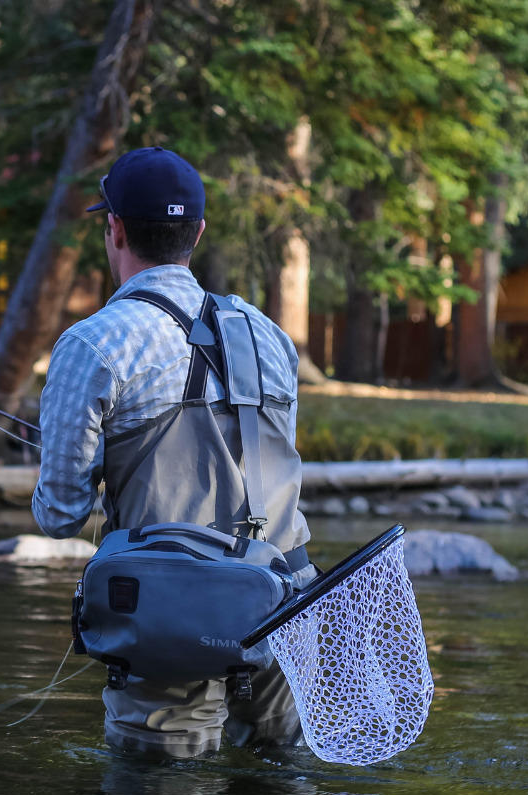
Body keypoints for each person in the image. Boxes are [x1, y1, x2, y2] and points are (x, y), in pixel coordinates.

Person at [32, 147, 315, 759]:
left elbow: (59, 515)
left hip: (172, 622)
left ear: (115, 229)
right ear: (198, 233)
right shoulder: (270, 335)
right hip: (288, 610)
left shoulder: (94, 343)